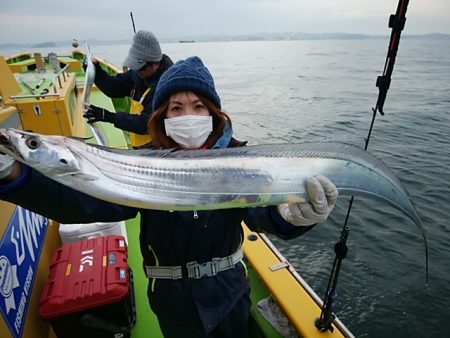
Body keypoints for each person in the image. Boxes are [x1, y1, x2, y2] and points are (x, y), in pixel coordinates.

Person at [0, 56, 338, 338]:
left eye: (198, 106)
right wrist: (14, 175)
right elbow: (85, 202)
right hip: (172, 299)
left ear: (213, 115)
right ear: (162, 116)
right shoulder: (142, 164)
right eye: (176, 107)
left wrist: (294, 217)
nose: (187, 115)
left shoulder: (239, 160)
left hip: (229, 290)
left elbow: (264, 215)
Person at [83, 30, 174, 147]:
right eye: (135, 66)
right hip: (139, 144)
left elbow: (146, 124)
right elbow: (115, 87)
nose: (137, 71)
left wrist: (110, 117)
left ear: (156, 63)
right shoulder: (138, 74)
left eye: (140, 68)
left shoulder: (166, 86)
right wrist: (96, 72)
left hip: (157, 147)